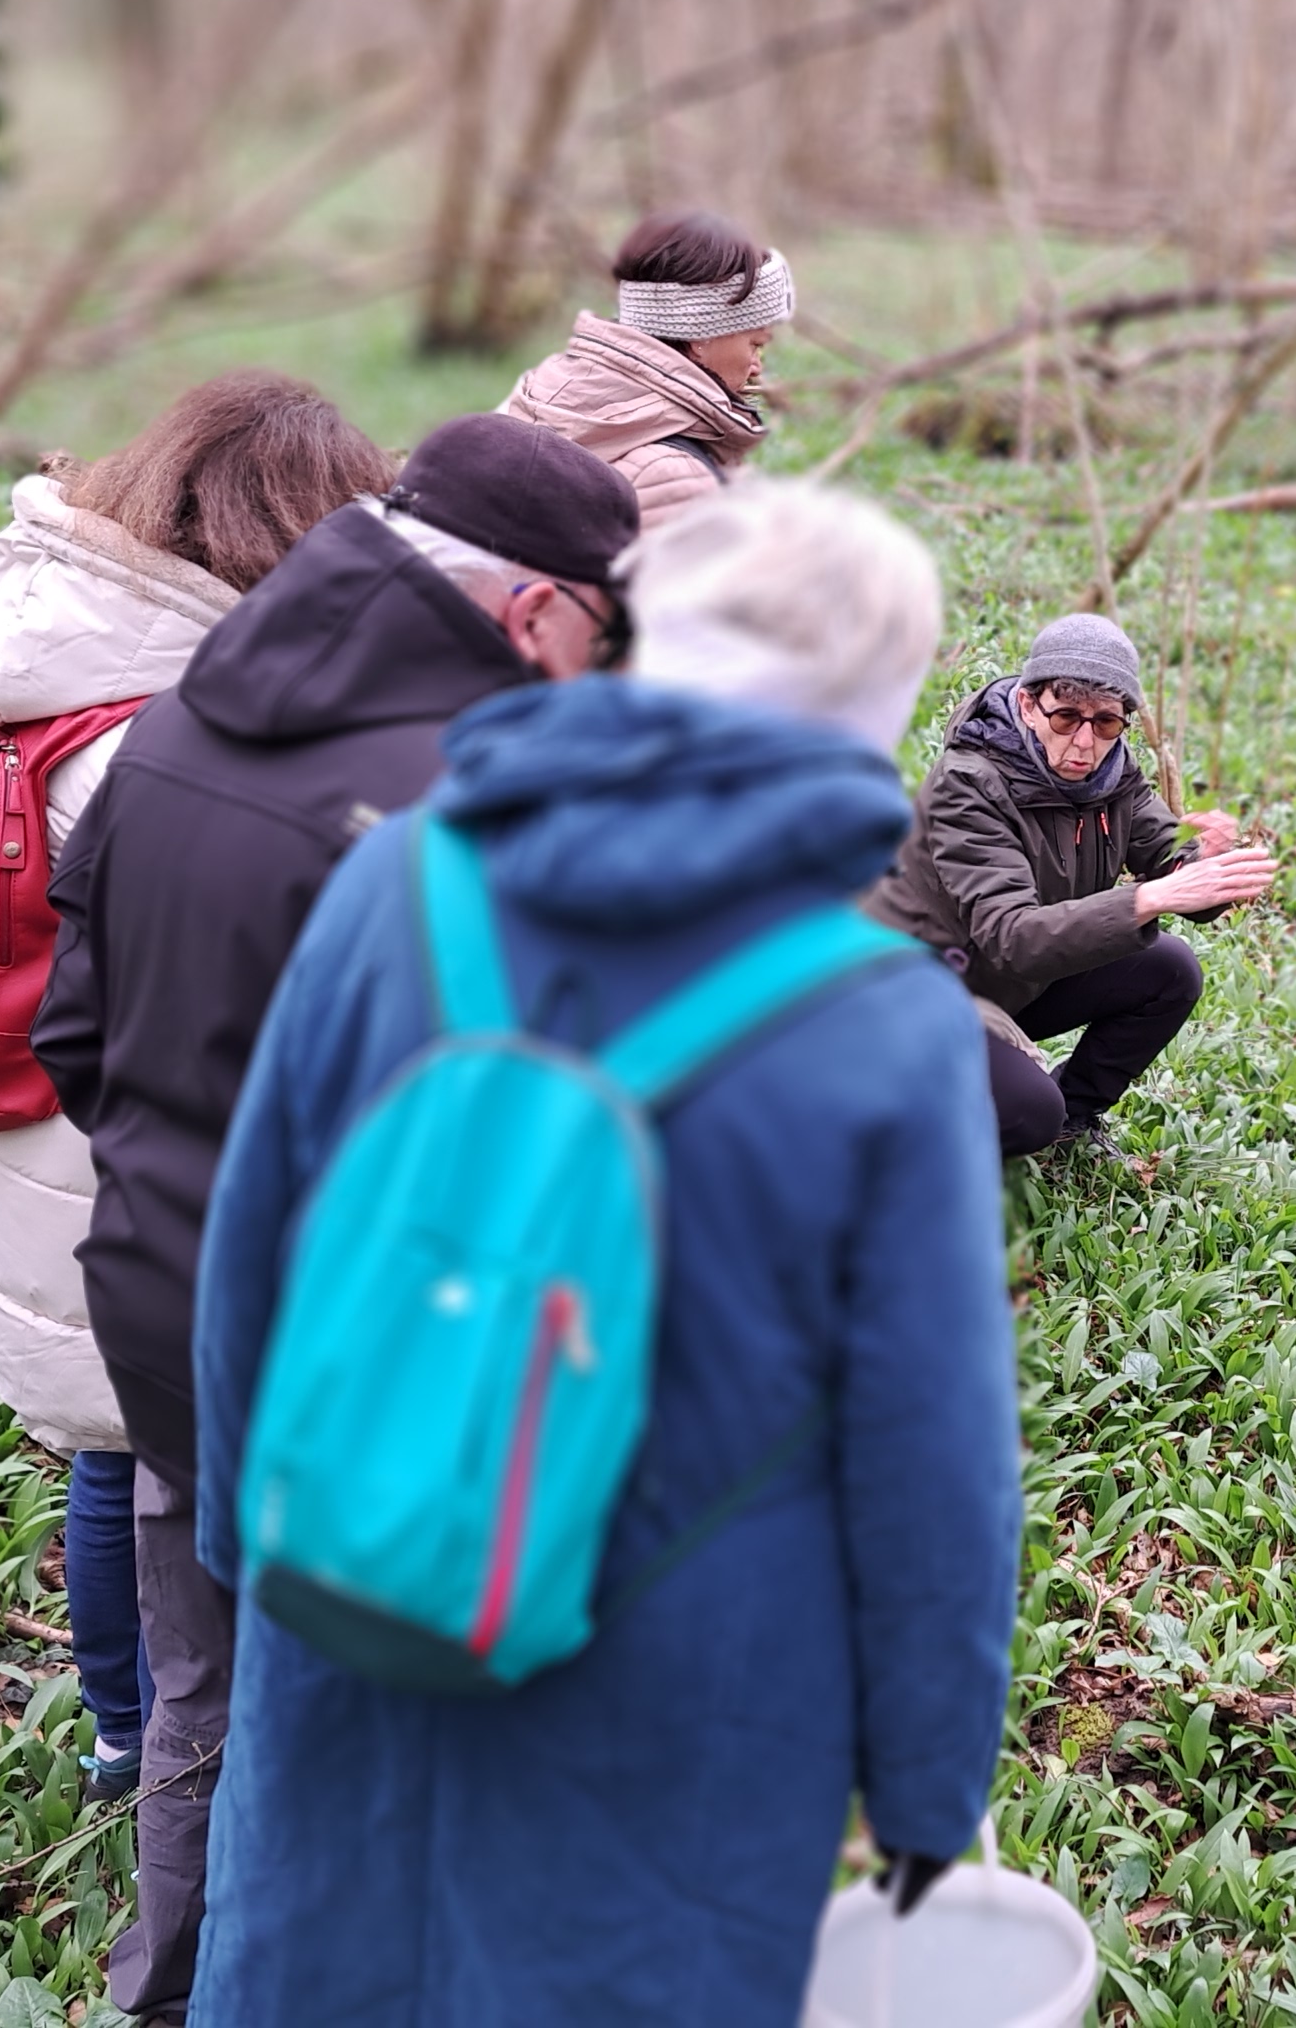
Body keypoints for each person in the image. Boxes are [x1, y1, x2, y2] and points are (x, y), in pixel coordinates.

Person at [186, 483, 1019, 2024]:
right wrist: (923, 1784)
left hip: (353, 1610)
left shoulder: (399, 879)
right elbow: (934, 1456)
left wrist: (264, 1564)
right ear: (880, 711)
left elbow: (248, 1274)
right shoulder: (888, 1021)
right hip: (687, 1699)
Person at [32, 413, 639, 2024]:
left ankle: (166, 1991)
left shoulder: (175, 720)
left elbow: (71, 1042)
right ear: (530, 611)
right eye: (601, 633)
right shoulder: (457, 812)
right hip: (368, 1362)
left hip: (161, 1309)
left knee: (204, 1697)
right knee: (380, 1737)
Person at [0, 371, 390, 1810]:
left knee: (107, 1435)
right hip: (119, 1128)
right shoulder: (154, 719)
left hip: (36, 1111)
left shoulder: (58, 638)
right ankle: (149, 1739)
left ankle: (126, 1727)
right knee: (147, 1452)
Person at [868, 612, 1277, 1158]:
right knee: (1027, 1112)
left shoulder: (1114, 774)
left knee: (1171, 970)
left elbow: (1166, 857)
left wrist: (1204, 865)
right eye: (1066, 718)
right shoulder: (967, 785)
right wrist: (1149, 898)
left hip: (1008, 980)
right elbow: (1012, 937)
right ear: (1026, 705)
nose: (1085, 743)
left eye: (1105, 723)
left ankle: (1074, 1118)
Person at [499, 208, 790, 523]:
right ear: (699, 336)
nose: (758, 366)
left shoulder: (543, 386)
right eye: (755, 345)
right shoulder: (676, 476)